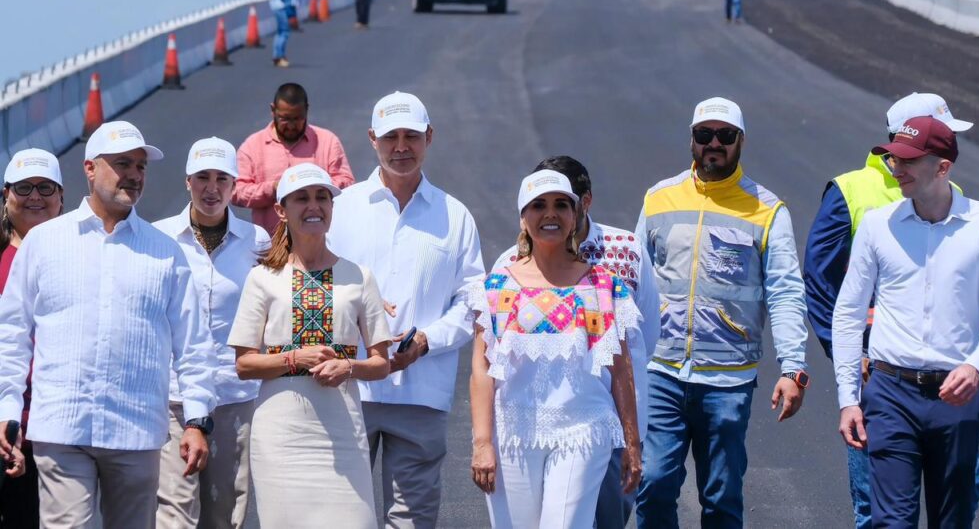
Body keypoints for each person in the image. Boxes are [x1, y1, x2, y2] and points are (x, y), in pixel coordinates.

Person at [0, 121, 218, 529]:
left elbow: (192, 345)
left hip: (135, 429)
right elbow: (11, 334)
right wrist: (6, 408)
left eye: (140, 166)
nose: (134, 175)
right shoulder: (44, 243)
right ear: (89, 169)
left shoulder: (164, 252)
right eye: (122, 164)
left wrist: (197, 419)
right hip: (61, 426)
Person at [832, 116, 979, 528]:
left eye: (907, 162)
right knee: (892, 522)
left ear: (943, 167)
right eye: (893, 160)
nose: (895, 170)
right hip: (890, 395)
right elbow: (847, 312)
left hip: (958, 396)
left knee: (952, 522)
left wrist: (976, 366)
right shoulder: (879, 226)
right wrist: (848, 399)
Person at [634, 98, 809, 529]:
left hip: (729, 379)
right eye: (704, 135)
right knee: (652, 483)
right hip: (662, 370)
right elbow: (631, 282)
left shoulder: (767, 210)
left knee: (721, 497)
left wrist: (793, 367)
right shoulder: (659, 198)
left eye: (725, 136)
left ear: (740, 141)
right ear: (691, 139)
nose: (714, 144)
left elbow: (786, 291)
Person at [804, 92, 975, 529]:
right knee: (878, 512)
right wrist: (846, 355)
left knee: (958, 505)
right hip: (879, 376)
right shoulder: (850, 189)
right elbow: (820, 282)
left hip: (947, 378)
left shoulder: (952, 192)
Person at [327, 90, 485, 528]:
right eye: (391, 136)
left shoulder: (456, 216)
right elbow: (316, 287)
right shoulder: (342, 209)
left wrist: (427, 341)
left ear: (429, 137)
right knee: (343, 515)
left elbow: (473, 303)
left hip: (422, 392)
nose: (401, 147)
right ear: (372, 138)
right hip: (349, 389)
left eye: (411, 136)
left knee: (412, 519)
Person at [491, 157, 659, 529]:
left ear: (582, 203)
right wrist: (482, 442)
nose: (550, 213)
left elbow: (640, 341)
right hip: (521, 431)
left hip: (595, 426)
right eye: (538, 204)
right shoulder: (505, 272)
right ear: (523, 215)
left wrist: (632, 439)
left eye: (561, 203)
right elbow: (485, 363)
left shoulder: (624, 251)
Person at [228, 163, 391, 528]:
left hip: (343, 430)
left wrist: (349, 367)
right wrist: (294, 358)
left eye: (322, 198)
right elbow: (244, 364)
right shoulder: (263, 278)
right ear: (282, 211)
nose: (314, 206)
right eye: (302, 198)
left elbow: (382, 362)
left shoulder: (359, 276)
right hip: (282, 435)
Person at [155, 137, 272, 529]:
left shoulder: (257, 242)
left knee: (225, 512)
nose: (212, 188)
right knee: (175, 510)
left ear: (235, 184)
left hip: (234, 394)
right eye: (202, 177)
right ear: (187, 181)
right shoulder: (159, 239)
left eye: (222, 178)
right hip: (174, 395)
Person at [0, 149, 64, 527]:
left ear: (61, 196)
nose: (35, 197)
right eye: (24, 188)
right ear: (6, 195)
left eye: (45, 188)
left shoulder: (80, 255)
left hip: (55, 424)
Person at [233, 82, 355, 236]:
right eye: (285, 119)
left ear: (307, 111)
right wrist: (273, 189)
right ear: (273, 110)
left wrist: (315, 187)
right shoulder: (252, 146)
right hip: (268, 247)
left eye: (297, 119)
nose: (291, 126)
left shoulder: (327, 142)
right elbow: (235, 192)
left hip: (321, 243)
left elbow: (348, 184)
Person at [269, 0, 297, 68]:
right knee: (284, 32)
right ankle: (279, 56)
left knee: (280, 32)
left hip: (276, 5)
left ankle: (277, 56)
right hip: (280, 6)